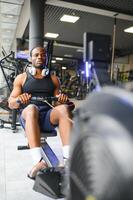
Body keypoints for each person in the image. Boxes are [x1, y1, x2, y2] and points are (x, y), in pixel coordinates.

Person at [8, 46, 72, 179]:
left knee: (64, 109)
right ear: (31, 58)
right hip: (29, 115)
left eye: (42, 55)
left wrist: (62, 100)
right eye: (36, 55)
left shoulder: (54, 79)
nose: (39, 57)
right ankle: (38, 162)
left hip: (47, 117)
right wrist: (19, 99)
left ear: (46, 58)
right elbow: (11, 103)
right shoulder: (21, 78)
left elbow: (56, 105)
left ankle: (68, 160)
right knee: (32, 109)